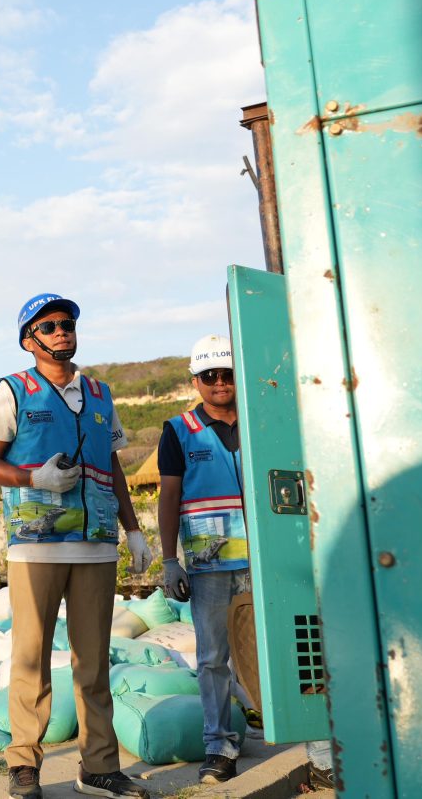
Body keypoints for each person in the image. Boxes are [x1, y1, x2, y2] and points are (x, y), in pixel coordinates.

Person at [0, 294, 154, 799]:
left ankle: (98, 767)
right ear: (29, 339)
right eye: (50, 326)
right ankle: (24, 766)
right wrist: (34, 476)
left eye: (68, 323)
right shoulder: (13, 391)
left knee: (94, 662)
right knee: (30, 659)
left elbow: (114, 466)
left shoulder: (99, 394)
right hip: (36, 548)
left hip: (96, 546)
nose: (62, 332)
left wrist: (133, 529)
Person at [157, 334, 249, 784]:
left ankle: (295, 727)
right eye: (209, 375)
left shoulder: (258, 422)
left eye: (226, 374)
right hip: (210, 567)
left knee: (271, 648)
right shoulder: (177, 431)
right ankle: (220, 745)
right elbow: (170, 494)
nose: (219, 383)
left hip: (261, 563)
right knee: (213, 655)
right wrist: (168, 559)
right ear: (196, 380)